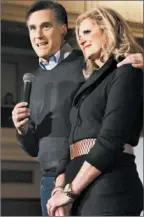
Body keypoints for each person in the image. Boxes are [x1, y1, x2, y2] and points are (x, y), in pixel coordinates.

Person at [11, 1, 143, 216]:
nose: (38, 34)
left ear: (63, 29)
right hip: (55, 182)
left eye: (45, 26)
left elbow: (113, 133)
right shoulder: (33, 79)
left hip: (97, 177)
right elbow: (38, 147)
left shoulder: (89, 63)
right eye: (32, 28)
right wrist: (23, 130)